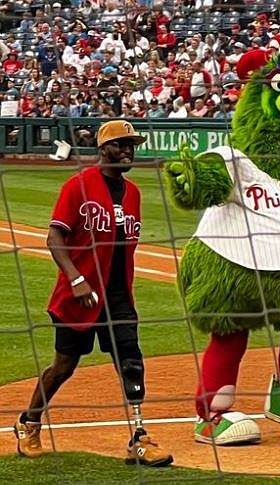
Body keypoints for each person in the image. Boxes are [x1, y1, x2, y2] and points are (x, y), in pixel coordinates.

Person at [14, 120, 173, 467]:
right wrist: (75, 279)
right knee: (63, 367)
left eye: (132, 145)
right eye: (121, 145)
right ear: (103, 149)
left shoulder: (134, 192)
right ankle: (29, 422)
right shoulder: (78, 186)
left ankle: (139, 438)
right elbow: (55, 239)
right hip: (78, 297)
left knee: (130, 362)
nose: (128, 150)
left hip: (118, 297)